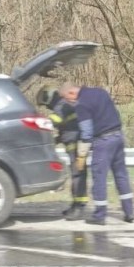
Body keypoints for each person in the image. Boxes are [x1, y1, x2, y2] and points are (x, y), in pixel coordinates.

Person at [59, 81, 134, 225]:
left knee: (99, 177)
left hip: (103, 141)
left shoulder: (81, 104)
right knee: (121, 175)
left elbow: (87, 132)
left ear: (71, 93)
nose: (69, 101)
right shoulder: (101, 92)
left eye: (67, 98)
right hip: (118, 137)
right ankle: (129, 212)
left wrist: (81, 153)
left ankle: (99, 215)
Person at [36, 85, 88, 220]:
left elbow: (55, 121)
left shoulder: (61, 105)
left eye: (45, 104)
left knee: (78, 175)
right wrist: (57, 139)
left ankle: (80, 207)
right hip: (76, 145)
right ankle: (76, 205)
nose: (47, 107)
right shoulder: (65, 104)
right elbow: (67, 127)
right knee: (77, 175)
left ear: (49, 98)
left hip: (78, 146)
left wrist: (36, 123)